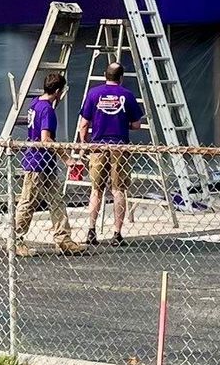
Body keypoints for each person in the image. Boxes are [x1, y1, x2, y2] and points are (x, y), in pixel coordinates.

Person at [12, 68, 82, 255]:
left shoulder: (35, 104)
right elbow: (46, 138)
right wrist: (66, 158)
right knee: (28, 202)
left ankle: (63, 240)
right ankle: (16, 241)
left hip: (44, 162)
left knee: (56, 200)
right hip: (38, 162)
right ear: (58, 91)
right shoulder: (47, 110)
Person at [76, 59, 145, 245]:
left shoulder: (93, 94)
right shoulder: (127, 95)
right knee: (118, 190)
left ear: (105, 76)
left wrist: (84, 143)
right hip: (119, 147)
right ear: (121, 78)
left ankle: (91, 230)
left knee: (96, 190)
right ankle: (117, 233)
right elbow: (137, 124)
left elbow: (84, 124)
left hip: (98, 146)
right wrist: (124, 122)